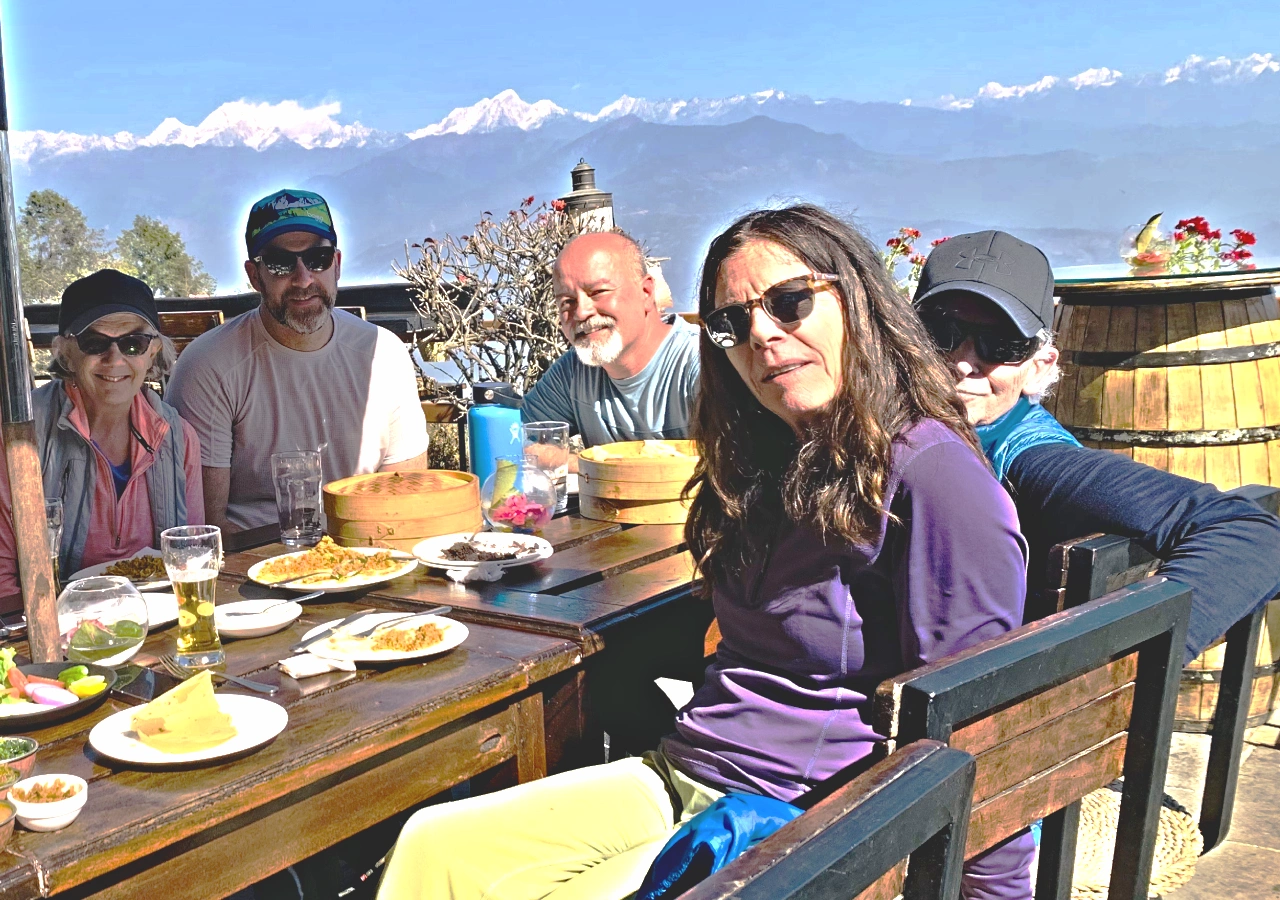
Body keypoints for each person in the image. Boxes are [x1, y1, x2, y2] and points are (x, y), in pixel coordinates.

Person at [374, 206, 1034, 900]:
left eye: (790, 302)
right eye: (733, 323)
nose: (764, 336)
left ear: (858, 298)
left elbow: (982, 725)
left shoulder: (931, 474)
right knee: (435, 848)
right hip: (687, 770)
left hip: (802, 820)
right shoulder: (769, 460)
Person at [915, 230, 1280, 663]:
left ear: (1039, 367)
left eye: (1002, 345)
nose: (962, 360)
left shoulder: (1033, 459)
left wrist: (1118, 674)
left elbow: (1250, 532)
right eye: (941, 332)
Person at [166, 189, 429, 532]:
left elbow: (405, 500)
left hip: (368, 554)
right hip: (251, 569)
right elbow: (203, 528)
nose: (303, 279)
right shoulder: (209, 367)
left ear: (336, 265)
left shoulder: (385, 354)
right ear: (254, 275)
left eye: (317, 259)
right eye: (280, 263)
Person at [0, 270, 204, 601]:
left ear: (153, 352)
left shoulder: (178, 438)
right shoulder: (21, 437)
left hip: (161, 620)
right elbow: (3, 583)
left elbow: (192, 554)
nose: (115, 359)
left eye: (133, 343)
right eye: (94, 343)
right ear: (66, 352)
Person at [521, 231, 700, 447]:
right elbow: (517, 440)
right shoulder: (574, 374)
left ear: (646, 292)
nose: (581, 312)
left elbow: (739, 464)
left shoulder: (703, 364)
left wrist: (596, 468)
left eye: (598, 292)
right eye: (567, 302)